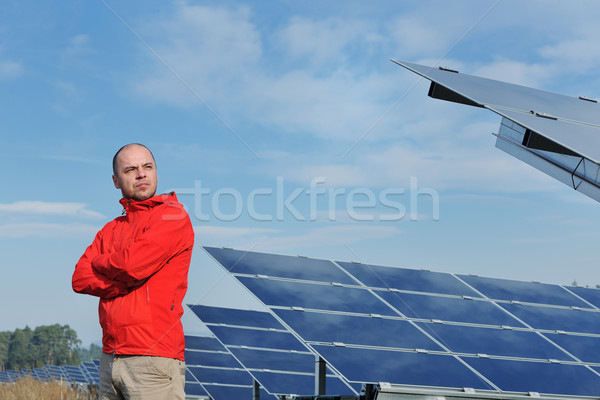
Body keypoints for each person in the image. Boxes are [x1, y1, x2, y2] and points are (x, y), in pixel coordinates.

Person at [72, 143, 194, 400]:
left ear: (156, 173)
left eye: (147, 167)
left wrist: (101, 263)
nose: (141, 174)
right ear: (116, 181)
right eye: (131, 169)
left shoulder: (172, 216)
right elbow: (80, 278)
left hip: (153, 360)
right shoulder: (111, 229)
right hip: (110, 358)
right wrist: (121, 285)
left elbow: (132, 265)